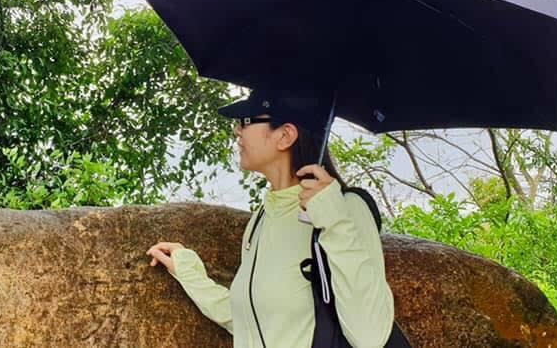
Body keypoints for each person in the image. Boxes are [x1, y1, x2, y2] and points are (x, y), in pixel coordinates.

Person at [146, 88, 394, 348]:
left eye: (246, 121)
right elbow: (249, 320)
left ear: (285, 136)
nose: (237, 131)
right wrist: (189, 273)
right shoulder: (261, 220)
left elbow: (370, 336)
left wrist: (334, 221)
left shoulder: (347, 208)